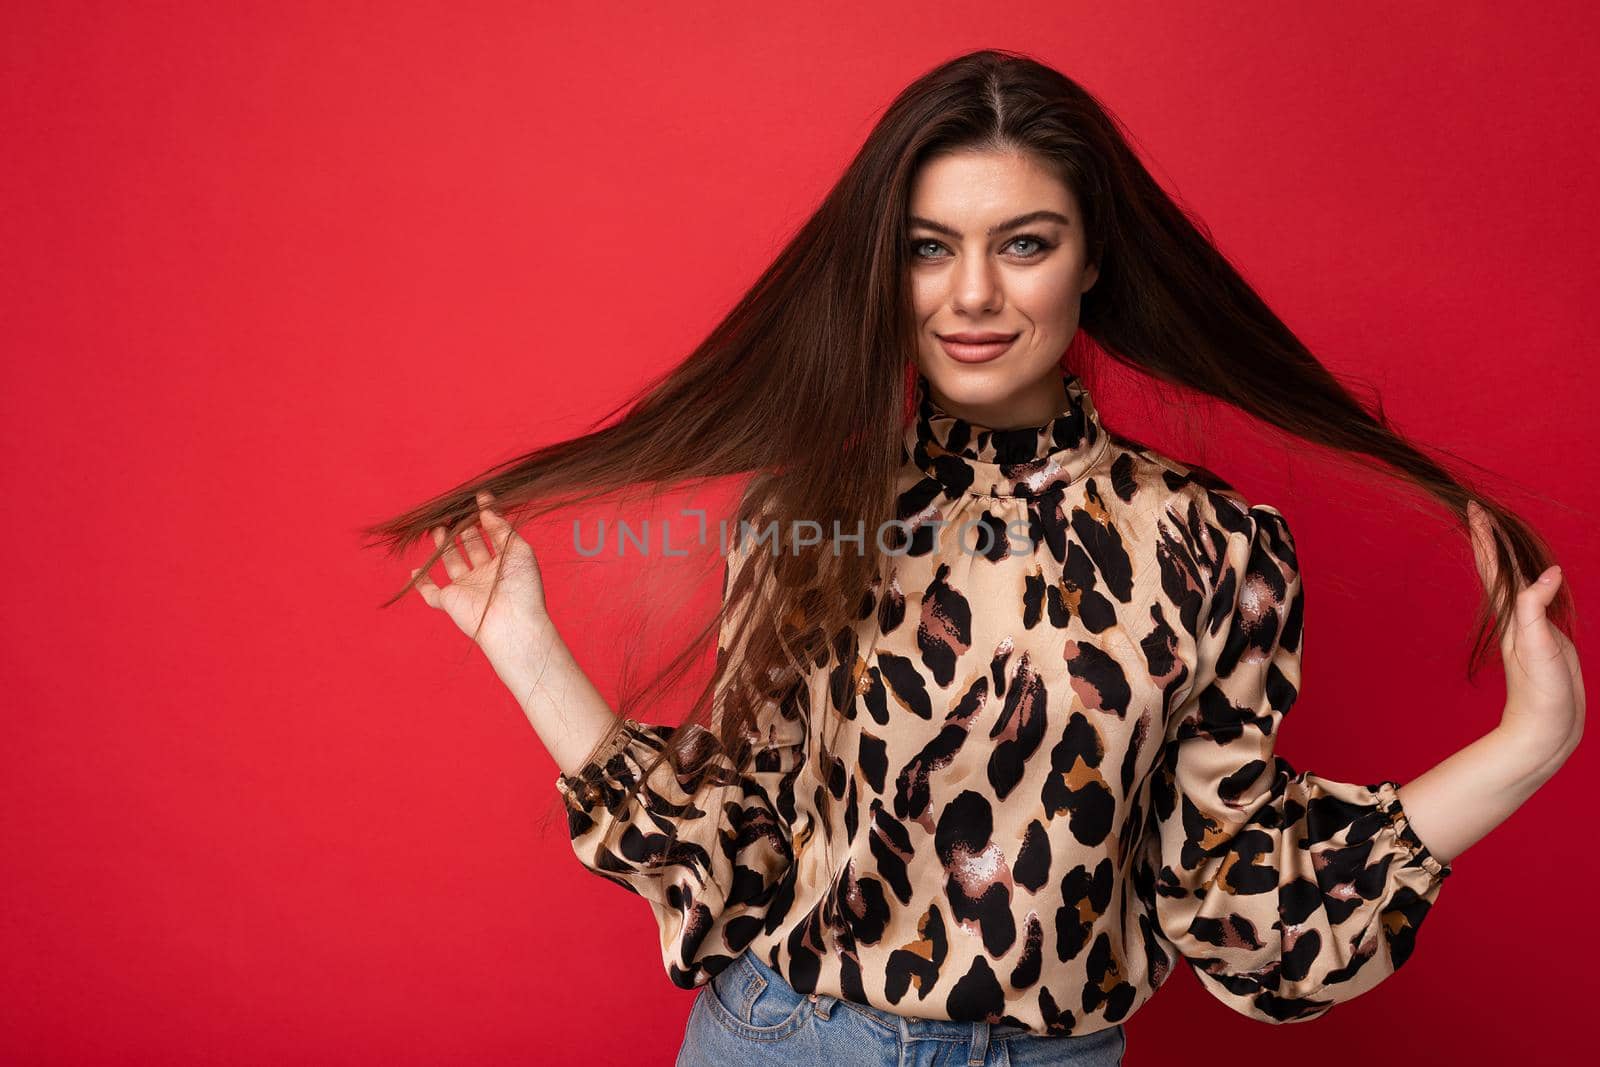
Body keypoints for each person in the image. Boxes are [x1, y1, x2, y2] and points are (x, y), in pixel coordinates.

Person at [367, 49, 1582, 1065]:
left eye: (1026, 242)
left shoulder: (1218, 547)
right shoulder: (811, 511)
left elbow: (1234, 899)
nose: (974, 295)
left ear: (1091, 258)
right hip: (786, 1038)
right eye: (929, 246)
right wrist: (519, 636)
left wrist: (1528, 746)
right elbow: (729, 858)